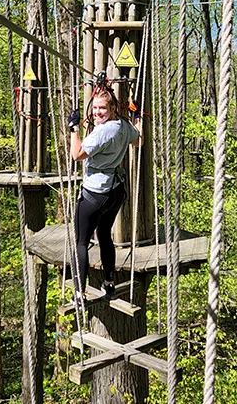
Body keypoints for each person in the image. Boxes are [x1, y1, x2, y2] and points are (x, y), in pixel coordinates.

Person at [68, 84, 143, 307]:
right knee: (104, 235)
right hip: (114, 193)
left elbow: (77, 154)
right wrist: (137, 116)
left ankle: (79, 294)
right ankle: (109, 282)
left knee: (81, 241)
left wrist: (74, 128)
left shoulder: (103, 131)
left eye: (102, 108)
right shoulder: (123, 126)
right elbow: (138, 139)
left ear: (112, 108)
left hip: (95, 192)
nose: (97, 113)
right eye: (96, 108)